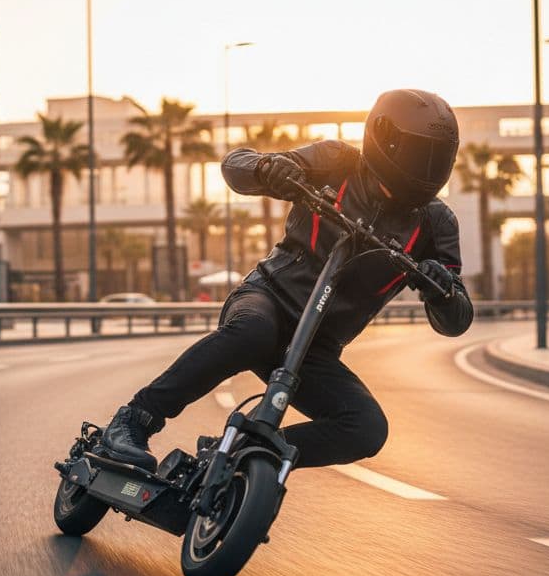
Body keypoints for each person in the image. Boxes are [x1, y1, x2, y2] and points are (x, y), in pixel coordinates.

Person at [101, 89, 474, 472]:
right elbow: (236, 164)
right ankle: (134, 420)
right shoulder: (337, 161)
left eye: (436, 156)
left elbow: (457, 318)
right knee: (253, 333)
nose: (427, 167)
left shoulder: (436, 222)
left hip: (317, 348)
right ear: (386, 139)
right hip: (266, 298)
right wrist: (269, 168)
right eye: (417, 152)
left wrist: (443, 290)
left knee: (367, 428)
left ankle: (246, 453)